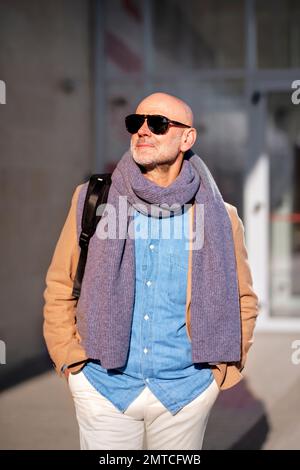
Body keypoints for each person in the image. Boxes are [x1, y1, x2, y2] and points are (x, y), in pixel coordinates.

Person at [43, 92, 259, 450]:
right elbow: (60, 283)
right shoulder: (92, 199)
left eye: (157, 124)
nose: (143, 131)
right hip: (103, 385)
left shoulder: (221, 216)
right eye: (135, 122)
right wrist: (70, 359)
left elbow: (243, 298)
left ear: (186, 138)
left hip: (185, 389)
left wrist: (218, 374)